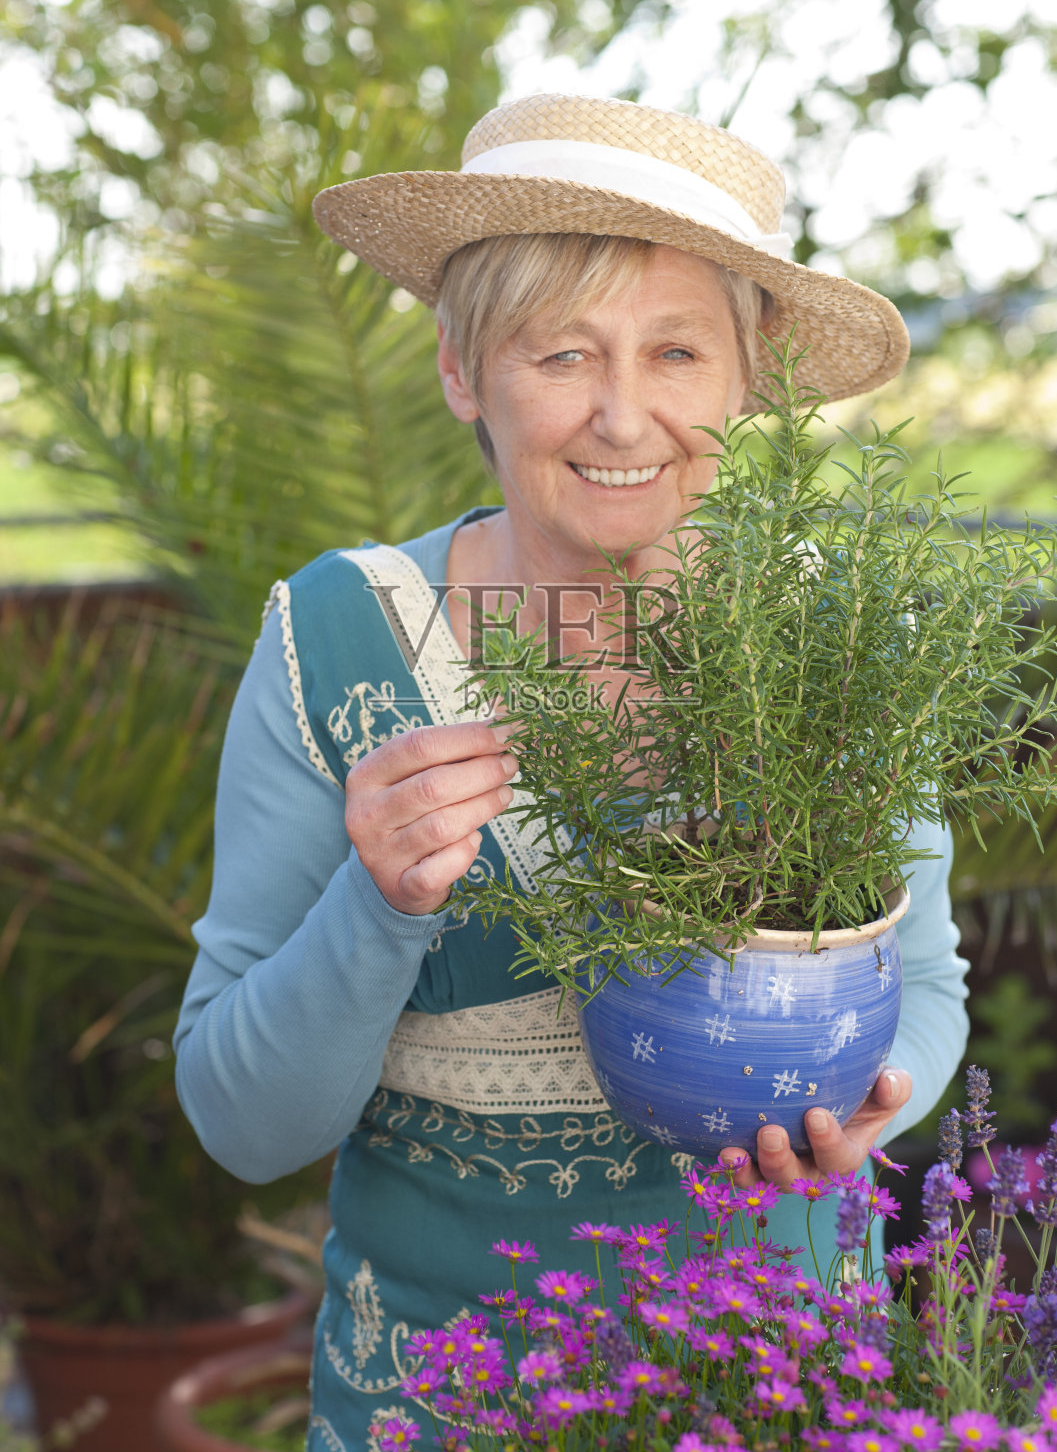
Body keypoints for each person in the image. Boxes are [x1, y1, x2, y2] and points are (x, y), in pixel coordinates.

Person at [174, 93, 968, 1451]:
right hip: (443, 1405)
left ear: (747, 378)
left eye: (676, 353)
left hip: (778, 1390)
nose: (622, 417)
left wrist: (865, 1098)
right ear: (459, 369)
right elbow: (245, 1126)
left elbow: (928, 986)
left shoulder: (832, 639)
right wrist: (378, 905)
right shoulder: (338, 638)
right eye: (560, 354)